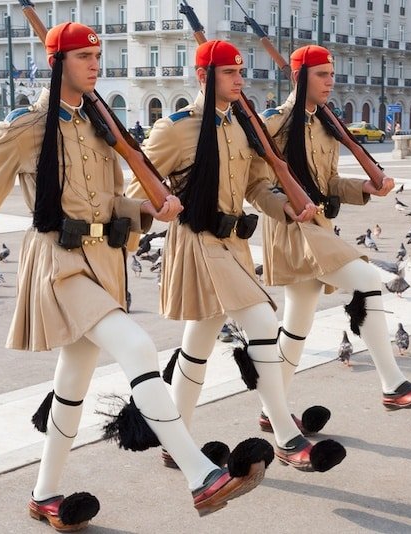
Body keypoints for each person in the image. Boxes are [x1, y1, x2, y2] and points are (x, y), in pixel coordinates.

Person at [0, 23, 267, 530]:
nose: (95, 65)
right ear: (59, 65)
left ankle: (44, 495)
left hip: (103, 261)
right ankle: (200, 475)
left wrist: (144, 207)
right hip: (59, 261)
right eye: (83, 58)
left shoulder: (100, 127)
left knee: (72, 382)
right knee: (139, 348)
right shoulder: (27, 126)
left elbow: (106, 201)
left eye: (97, 56)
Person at [126, 40, 346, 473]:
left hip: (235, 245)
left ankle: (175, 440)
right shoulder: (173, 130)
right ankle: (285, 436)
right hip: (198, 242)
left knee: (198, 342)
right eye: (229, 73)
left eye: (241, 72)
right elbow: (139, 193)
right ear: (204, 78)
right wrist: (157, 209)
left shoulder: (241, 126)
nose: (240, 80)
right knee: (263, 321)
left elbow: (256, 186)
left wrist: (284, 205)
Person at [258, 45, 411, 434]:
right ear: (299, 77)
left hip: (319, 229)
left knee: (296, 329)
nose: (331, 81)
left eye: (332, 74)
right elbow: (256, 185)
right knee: (368, 280)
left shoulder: (323, 123)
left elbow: (326, 183)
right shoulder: (274, 124)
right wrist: (287, 206)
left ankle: (270, 411)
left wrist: (364, 185)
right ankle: (392, 383)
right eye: (322, 75)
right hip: (292, 231)